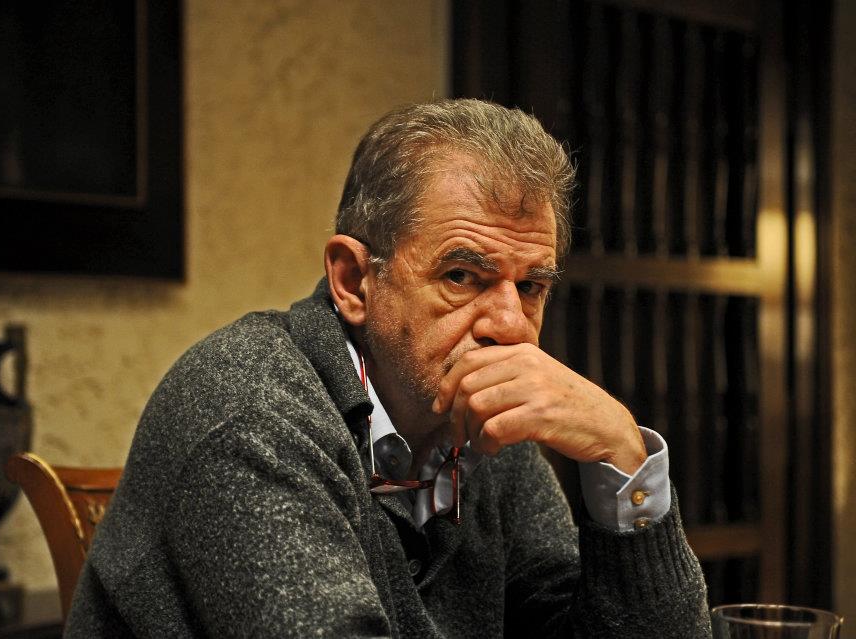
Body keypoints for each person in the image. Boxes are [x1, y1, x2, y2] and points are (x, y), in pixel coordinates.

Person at [65, 99, 711, 637]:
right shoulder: (250, 413)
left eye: (531, 286)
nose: (511, 326)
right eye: (462, 276)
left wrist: (623, 457)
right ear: (353, 281)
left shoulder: (485, 426)